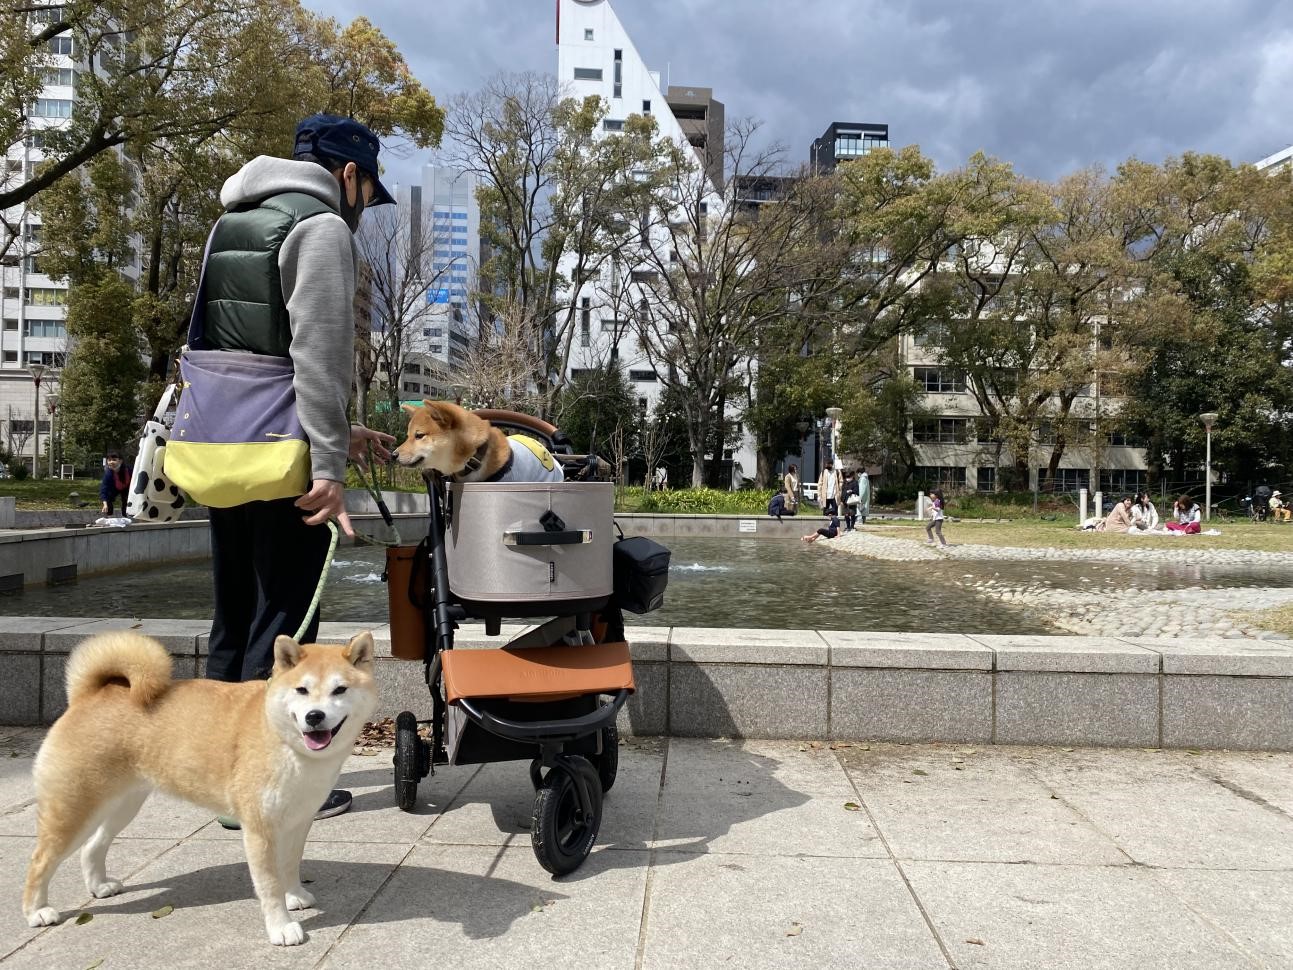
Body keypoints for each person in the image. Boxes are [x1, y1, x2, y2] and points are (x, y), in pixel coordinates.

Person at [201, 114, 396, 823]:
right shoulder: (319, 229)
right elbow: (314, 354)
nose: (365, 209)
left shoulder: (233, 220)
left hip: (224, 446)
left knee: (236, 611)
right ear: (349, 175)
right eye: (370, 194)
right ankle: (258, 790)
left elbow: (249, 359)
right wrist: (327, 465)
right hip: (285, 465)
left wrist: (342, 432)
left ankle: (220, 781)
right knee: (286, 615)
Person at [99, 451, 131, 517]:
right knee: (107, 501)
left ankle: (126, 517)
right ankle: (109, 516)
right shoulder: (108, 474)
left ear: (120, 461)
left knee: (126, 502)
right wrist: (105, 504)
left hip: (127, 488)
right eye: (109, 460)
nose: (111, 462)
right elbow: (104, 490)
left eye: (114, 460)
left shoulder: (129, 470)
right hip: (114, 489)